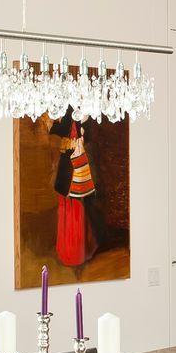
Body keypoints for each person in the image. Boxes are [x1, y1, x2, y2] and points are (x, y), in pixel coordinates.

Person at [47, 108, 102, 268]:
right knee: (68, 205)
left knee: (78, 207)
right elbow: (56, 130)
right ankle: (69, 250)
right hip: (68, 163)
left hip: (78, 161)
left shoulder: (83, 112)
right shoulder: (64, 110)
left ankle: (77, 251)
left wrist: (80, 136)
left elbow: (88, 135)